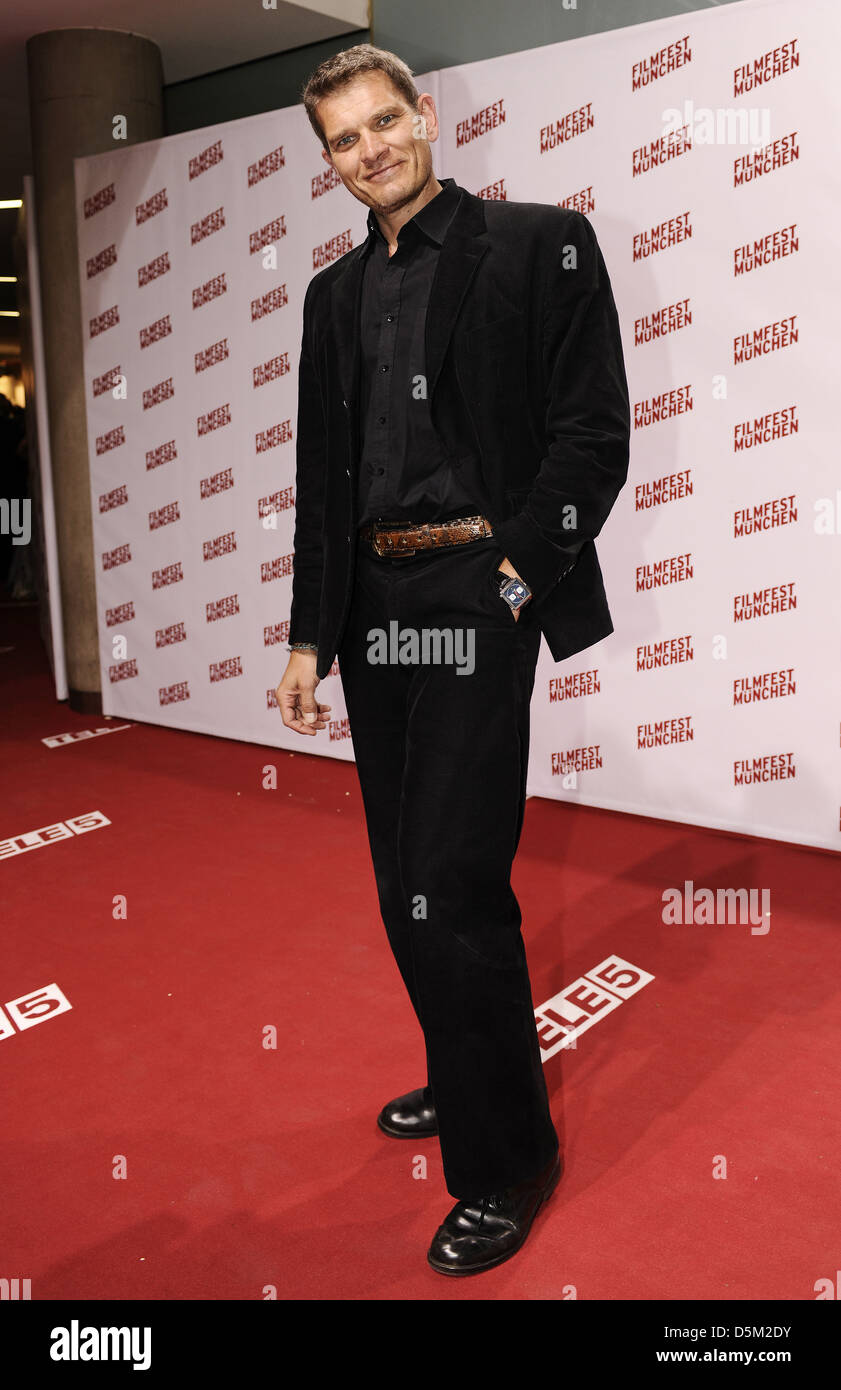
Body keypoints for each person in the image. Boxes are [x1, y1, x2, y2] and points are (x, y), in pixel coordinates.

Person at [275, 43, 630, 1276]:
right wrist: (309, 636)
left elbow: (593, 441)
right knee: (400, 881)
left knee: (453, 877)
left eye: (384, 121)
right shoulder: (329, 299)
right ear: (326, 162)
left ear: (424, 116)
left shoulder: (541, 245)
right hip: (376, 604)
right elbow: (324, 483)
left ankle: (506, 1160)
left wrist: (514, 581)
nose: (369, 149)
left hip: (478, 589)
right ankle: (464, 1067)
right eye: (343, 139)